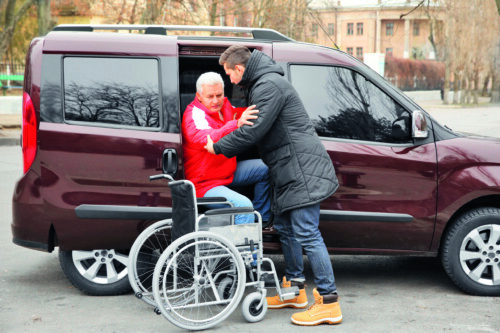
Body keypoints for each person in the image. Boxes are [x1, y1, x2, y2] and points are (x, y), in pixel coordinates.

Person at [205, 46, 342, 326]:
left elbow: (255, 130)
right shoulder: (263, 84)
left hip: (301, 169)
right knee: (286, 228)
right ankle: (293, 289)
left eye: (229, 74)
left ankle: (329, 302)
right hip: (287, 168)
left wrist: (217, 145)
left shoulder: (269, 85)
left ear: (240, 69)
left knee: (307, 232)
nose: (229, 80)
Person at [182, 71, 270, 225]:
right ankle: (245, 247)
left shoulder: (226, 106)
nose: (216, 101)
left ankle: (260, 222)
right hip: (205, 183)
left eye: (219, 95)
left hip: (227, 172)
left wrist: (266, 109)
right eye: (210, 96)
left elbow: (241, 114)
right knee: (244, 206)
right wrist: (235, 124)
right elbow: (207, 137)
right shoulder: (194, 115)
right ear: (199, 96)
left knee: (267, 168)